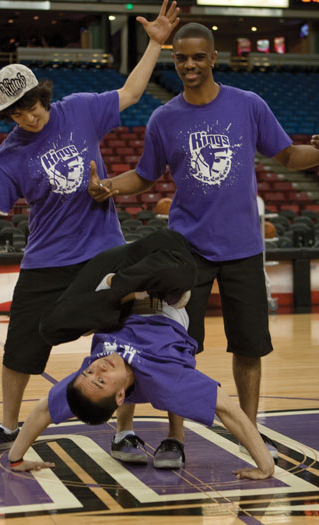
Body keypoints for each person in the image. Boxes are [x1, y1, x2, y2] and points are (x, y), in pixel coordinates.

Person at [0, 0, 180, 454]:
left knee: (121, 343)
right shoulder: (6, 157)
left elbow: (128, 92)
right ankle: (9, 427)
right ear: (7, 116)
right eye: (16, 112)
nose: (28, 116)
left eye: (31, 105)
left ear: (42, 95)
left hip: (103, 251)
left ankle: (124, 429)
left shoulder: (81, 110)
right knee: (20, 348)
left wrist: (154, 45)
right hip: (47, 259)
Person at [87, 22, 319, 461]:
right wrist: (111, 186)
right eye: (181, 58)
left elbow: (288, 156)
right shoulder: (165, 117)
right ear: (174, 61)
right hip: (186, 252)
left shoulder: (248, 105)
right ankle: (175, 436)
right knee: (174, 347)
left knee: (249, 347)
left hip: (244, 249)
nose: (189, 65)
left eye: (197, 57)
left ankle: (248, 432)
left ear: (214, 57)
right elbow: (145, 175)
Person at [5, 230, 275, 481]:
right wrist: (265, 465)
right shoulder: (164, 379)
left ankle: (122, 292)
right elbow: (227, 409)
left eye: (89, 371)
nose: (97, 368)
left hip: (114, 279)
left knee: (49, 328)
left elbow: (43, 410)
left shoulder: (85, 387)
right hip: (161, 274)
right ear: (120, 396)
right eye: (102, 380)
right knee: (182, 271)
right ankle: (136, 290)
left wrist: (16, 459)